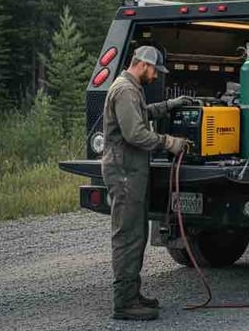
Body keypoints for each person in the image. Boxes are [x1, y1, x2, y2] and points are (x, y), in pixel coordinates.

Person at [101, 45, 192, 321]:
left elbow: (141, 114)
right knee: (128, 236)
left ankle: (132, 294)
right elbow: (135, 134)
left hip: (131, 172)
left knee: (136, 234)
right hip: (124, 172)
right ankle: (124, 303)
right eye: (154, 71)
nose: (155, 76)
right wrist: (169, 142)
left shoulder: (131, 89)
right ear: (142, 64)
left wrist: (169, 106)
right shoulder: (125, 90)